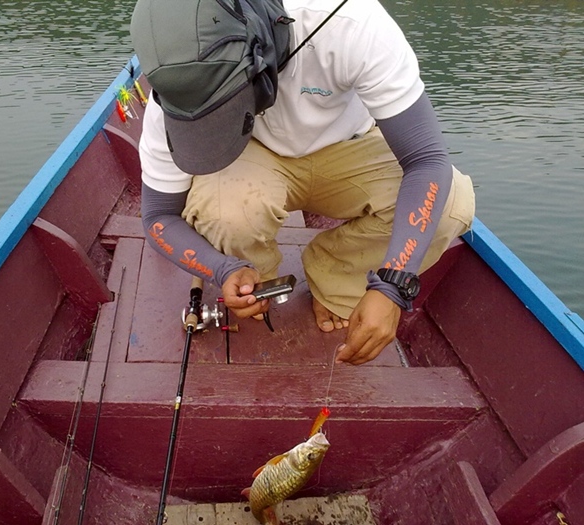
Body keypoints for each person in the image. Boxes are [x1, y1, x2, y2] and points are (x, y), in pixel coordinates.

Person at [129, 0, 475, 365]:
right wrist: (222, 268)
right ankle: (254, 281)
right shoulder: (175, 95)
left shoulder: (352, 24)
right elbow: (158, 216)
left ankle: (334, 276)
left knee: (451, 204)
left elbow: (426, 161)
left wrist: (394, 284)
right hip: (255, 155)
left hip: (348, 146)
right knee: (227, 213)